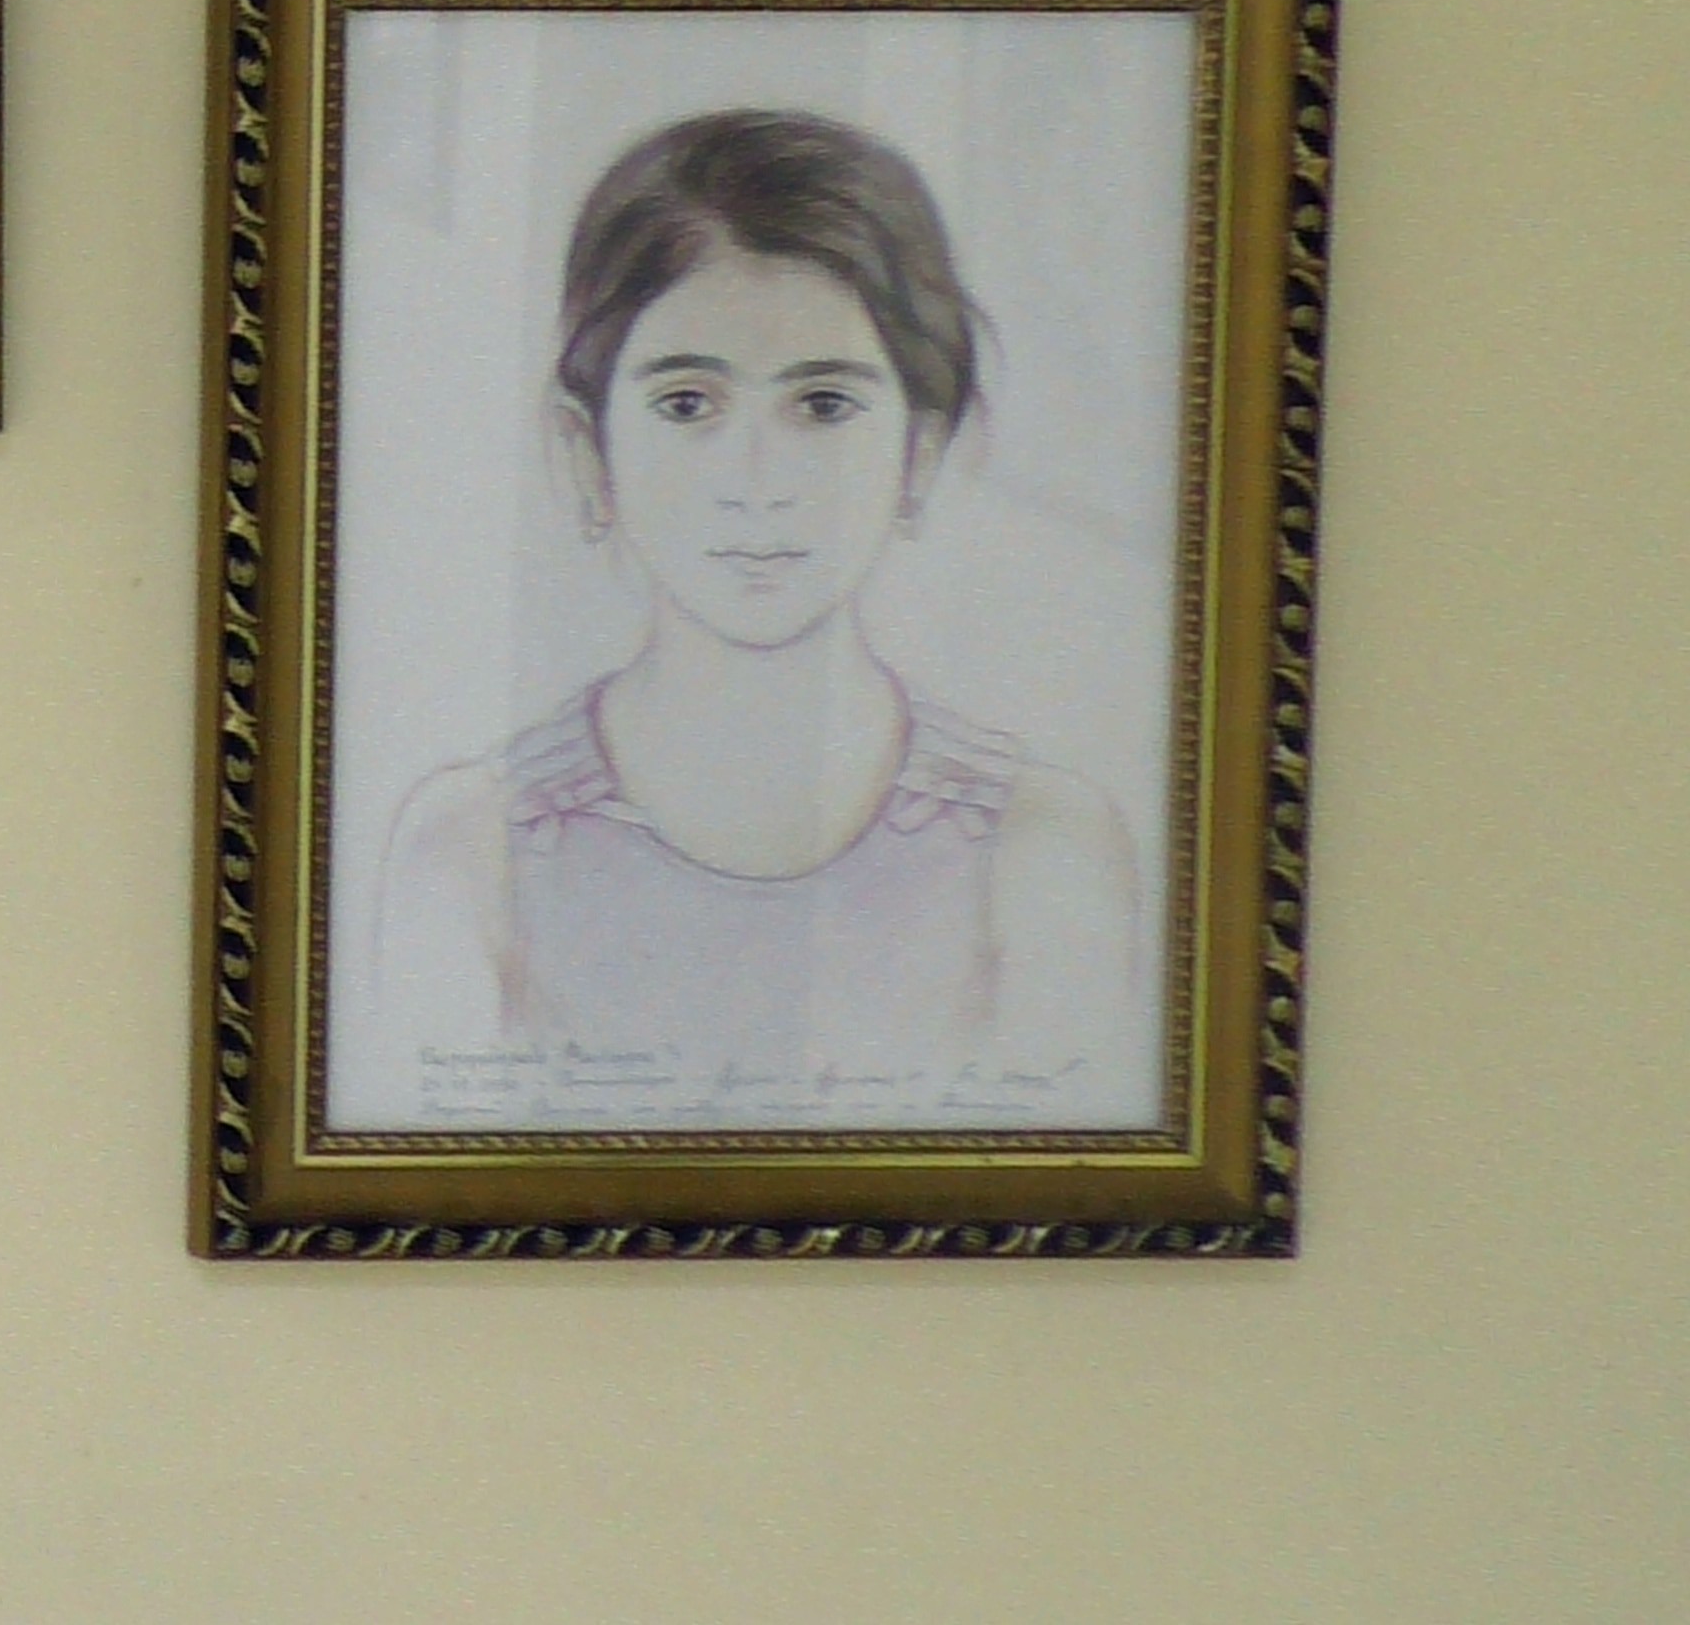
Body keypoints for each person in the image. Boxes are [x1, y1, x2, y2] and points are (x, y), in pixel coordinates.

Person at [358, 109, 1150, 1127]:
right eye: (688, 405)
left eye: (822, 406)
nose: (756, 481)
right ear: (586, 451)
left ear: (918, 454)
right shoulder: (468, 855)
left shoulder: (1043, 851)